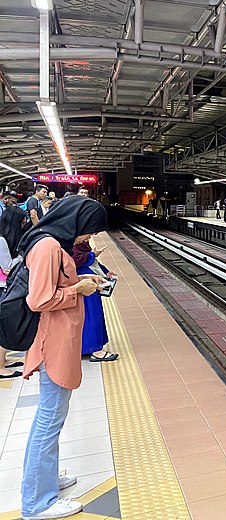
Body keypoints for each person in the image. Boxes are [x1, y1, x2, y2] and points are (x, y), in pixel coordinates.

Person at [19, 196, 108, 520]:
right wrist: (77, 291)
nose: (88, 238)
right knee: (48, 420)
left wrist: (84, 282)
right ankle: (37, 503)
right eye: (89, 231)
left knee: (51, 419)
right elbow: (39, 299)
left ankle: (47, 478)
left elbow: (56, 286)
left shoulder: (54, 244)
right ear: (77, 222)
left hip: (60, 340)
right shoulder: (47, 247)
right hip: (51, 343)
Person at [73, 239, 118, 362]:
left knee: (85, 316)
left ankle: (84, 348)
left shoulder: (72, 236)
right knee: (92, 314)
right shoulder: (72, 240)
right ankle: (95, 350)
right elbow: (77, 259)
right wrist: (93, 254)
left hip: (85, 279)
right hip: (84, 282)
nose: (89, 237)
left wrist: (105, 271)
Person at [0, 206, 27, 380]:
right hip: (1, 285)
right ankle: (0, 367)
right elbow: (7, 266)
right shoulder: (1, 241)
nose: (23, 226)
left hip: (3, 285)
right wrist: (23, 256)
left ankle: (3, 361)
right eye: (22, 223)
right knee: (3, 326)